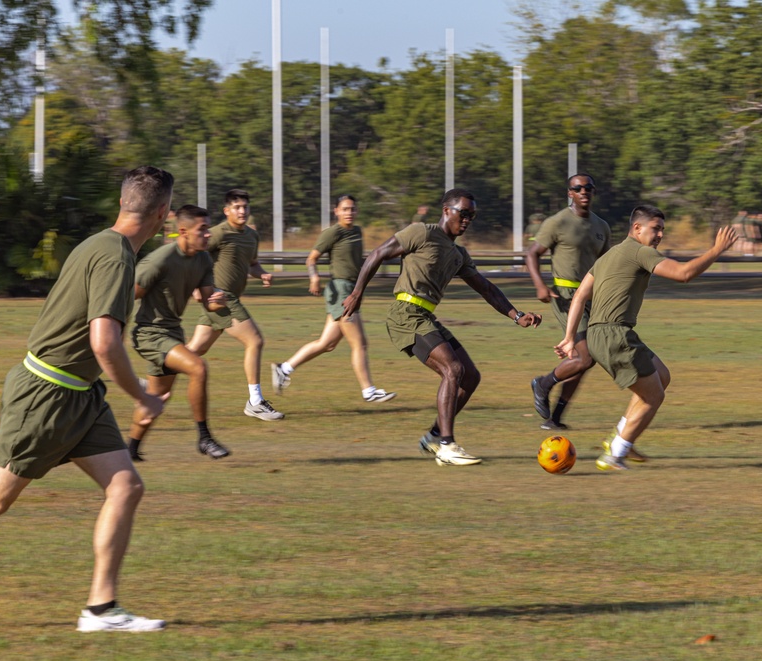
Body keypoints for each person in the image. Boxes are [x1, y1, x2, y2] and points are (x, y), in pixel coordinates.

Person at [0, 166, 175, 632]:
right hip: (47, 394)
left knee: (126, 486)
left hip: (80, 394)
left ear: (123, 203)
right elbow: (105, 342)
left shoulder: (99, 243)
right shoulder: (115, 258)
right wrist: (142, 396)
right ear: (163, 213)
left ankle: (101, 610)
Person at [342, 188, 542, 467]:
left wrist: (515, 314)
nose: (468, 219)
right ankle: (447, 445)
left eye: (472, 215)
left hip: (426, 316)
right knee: (453, 369)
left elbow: (486, 287)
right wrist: (357, 293)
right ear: (447, 210)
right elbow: (378, 253)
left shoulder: (458, 254)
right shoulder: (421, 232)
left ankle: (434, 435)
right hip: (405, 314)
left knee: (470, 376)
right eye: (464, 213)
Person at [556, 205, 738, 471]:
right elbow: (683, 274)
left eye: (663, 229)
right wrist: (717, 250)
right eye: (656, 229)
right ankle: (615, 454)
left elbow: (581, 295)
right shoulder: (641, 252)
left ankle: (619, 437)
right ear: (637, 228)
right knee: (653, 396)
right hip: (614, 334)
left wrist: (570, 336)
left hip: (602, 333)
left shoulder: (609, 255)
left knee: (661, 376)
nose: (660, 235)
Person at [127, 205, 230, 463]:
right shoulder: (159, 260)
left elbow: (210, 304)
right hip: (149, 335)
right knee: (198, 368)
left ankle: (129, 451)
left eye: (208, 228)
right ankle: (204, 438)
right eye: (202, 230)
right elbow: (126, 296)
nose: (208, 235)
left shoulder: (203, 259)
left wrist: (220, 299)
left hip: (172, 333)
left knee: (157, 398)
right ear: (183, 231)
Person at [271, 195, 396, 403]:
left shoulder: (357, 231)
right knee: (360, 343)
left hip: (353, 290)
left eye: (352, 209)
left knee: (327, 344)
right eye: (345, 209)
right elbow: (311, 259)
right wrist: (314, 277)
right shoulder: (332, 233)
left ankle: (283, 369)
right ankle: (369, 391)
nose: (349, 213)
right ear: (336, 211)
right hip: (341, 291)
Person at [186, 189, 283, 421]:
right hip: (221, 297)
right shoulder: (217, 233)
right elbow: (193, 257)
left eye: (245, 207)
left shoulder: (252, 235)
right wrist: (196, 288)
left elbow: (252, 264)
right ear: (226, 210)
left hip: (228, 298)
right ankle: (255, 401)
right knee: (255, 340)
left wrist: (262, 275)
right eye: (237, 207)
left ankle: (155, 380)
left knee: (195, 350)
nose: (242, 211)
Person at [525, 174, 611, 433]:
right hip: (565, 296)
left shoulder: (601, 226)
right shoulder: (557, 222)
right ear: (570, 193)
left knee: (585, 358)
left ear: (593, 192)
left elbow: (606, 266)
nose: (583, 191)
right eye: (577, 188)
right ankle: (543, 383)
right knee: (585, 356)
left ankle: (555, 418)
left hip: (593, 297)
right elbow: (532, 254)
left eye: (588, 188)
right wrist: (540, 285)